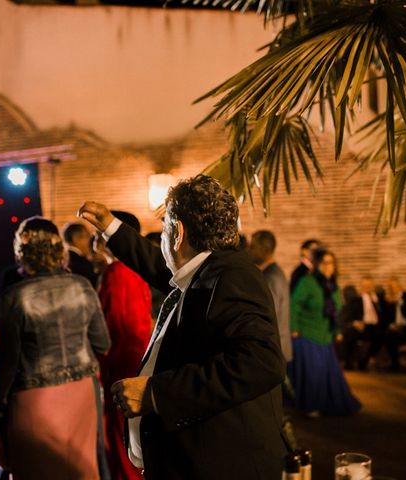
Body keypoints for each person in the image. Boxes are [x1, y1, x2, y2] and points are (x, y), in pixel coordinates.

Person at [79, 174, 289, 480]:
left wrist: (156, 392)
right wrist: (111, 226)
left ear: (177, 232)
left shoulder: (233, 277)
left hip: (221, 465)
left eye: (165, 229)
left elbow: (262, 363)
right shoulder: (210, 269)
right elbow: (157, 265)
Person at [0, 216, 111, 480]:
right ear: (60, 250)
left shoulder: (15, 296)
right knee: (82, 469)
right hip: (81, 393)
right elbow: (103, 343)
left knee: (38, 471)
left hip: (34, 395)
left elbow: (7, 360)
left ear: (22, 253)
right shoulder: (82, 287)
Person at [97, 212, 153, 480]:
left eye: (100, 234)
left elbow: (116, 326)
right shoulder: (137, 268)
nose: (95, 241)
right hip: (139, 359)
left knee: (122, 442)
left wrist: (102, 367)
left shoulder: (117, 272)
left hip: (122, 364)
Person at [290, 248, 361, 417]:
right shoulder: (307, 282)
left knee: (328, 373)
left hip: (325, 335)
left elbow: (336, 311)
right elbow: (294, 305)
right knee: (314, 372)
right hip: (307, 334)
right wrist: (294, 328)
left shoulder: (333, 286)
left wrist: (337, 331)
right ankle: (312, 406)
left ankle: (330, 404)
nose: (328, 267)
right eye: (324, 263)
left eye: (331, 263)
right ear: (317, 265)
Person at [248, 230, 291, 363]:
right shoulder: (274, 273)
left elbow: (267, 315)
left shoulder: (270, 278)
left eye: (253, 247)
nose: (249, 250)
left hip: (273, 350)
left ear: (264, 249)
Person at [342, 277, 385, 370]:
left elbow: (385, 315)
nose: (367, 288)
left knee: (383, 334)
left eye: (369, 286)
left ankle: (364, 361)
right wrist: (355, 323)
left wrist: (376, 301)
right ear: (361, 287)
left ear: (372, 286)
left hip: (375, 326)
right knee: (350, 333)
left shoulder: (378, 300)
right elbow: (347, 316)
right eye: (365, 286)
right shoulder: (355, 300)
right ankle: (348, 362)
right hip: (361, 325)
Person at [63, 222, 98, 287]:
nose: (90, 241)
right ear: (75, 239)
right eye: (87, 236)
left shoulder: (61, 261)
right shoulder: (82, 264)